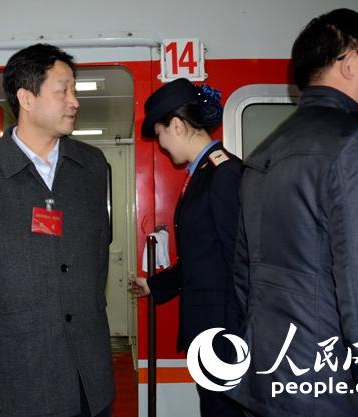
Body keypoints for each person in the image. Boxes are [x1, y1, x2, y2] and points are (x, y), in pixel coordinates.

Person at [228, 8, 358, 417]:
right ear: (350, 61)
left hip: (269, 383)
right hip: (332, 395)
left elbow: (244, 280)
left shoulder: (264, 151)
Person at [0, 43, 114, 417]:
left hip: (90, 370)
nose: (74, 102)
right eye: (62, 90)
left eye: (75, 90)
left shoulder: (92, 167)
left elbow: (97, 258)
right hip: (18, 372)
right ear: (26, 98)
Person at [133, 78, 244, 417]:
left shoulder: (224, 173)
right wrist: (155, 285)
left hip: (225, 335)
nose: (162, 145)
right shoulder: (202, 174)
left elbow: (241, 261)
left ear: (177, 126)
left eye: (161, 134)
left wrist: (238, 343)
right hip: (210, 332)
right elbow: (202, 257)